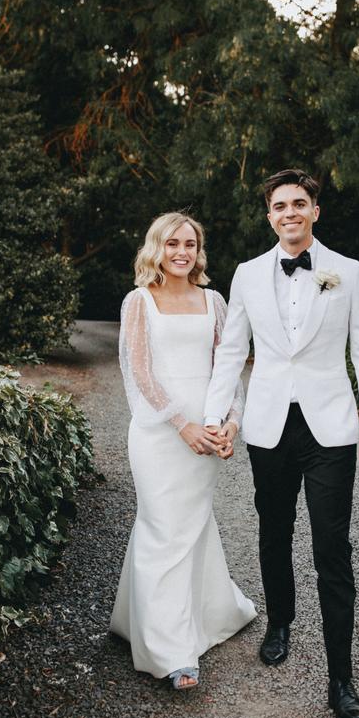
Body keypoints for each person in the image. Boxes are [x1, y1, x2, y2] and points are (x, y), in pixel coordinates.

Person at [204, 169, 359, 718]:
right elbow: (232, 351)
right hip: (268, 426)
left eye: (299, 204)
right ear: (269, 215)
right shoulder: (248, 274)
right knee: (273, 530)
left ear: (315, 211)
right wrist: (216, 417)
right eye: (280, 205)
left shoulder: (347, 273)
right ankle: (280, 620)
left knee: (332, 547)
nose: (290, 213)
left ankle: (341, 681)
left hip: (331, 428)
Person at [109, 211, 256, 690]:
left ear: (199, 250)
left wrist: (230, 422)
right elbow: (140, 374)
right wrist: (181, 425)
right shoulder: (139, 301)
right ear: (157, 247)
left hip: (207, 427)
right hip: (159, 431)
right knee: (161, 526)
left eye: (190, 244)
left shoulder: (214, 300)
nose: (181, 252)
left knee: (190, 523)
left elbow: (227, 366)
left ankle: (148, 618)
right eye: (172, 243)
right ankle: (170, 651)